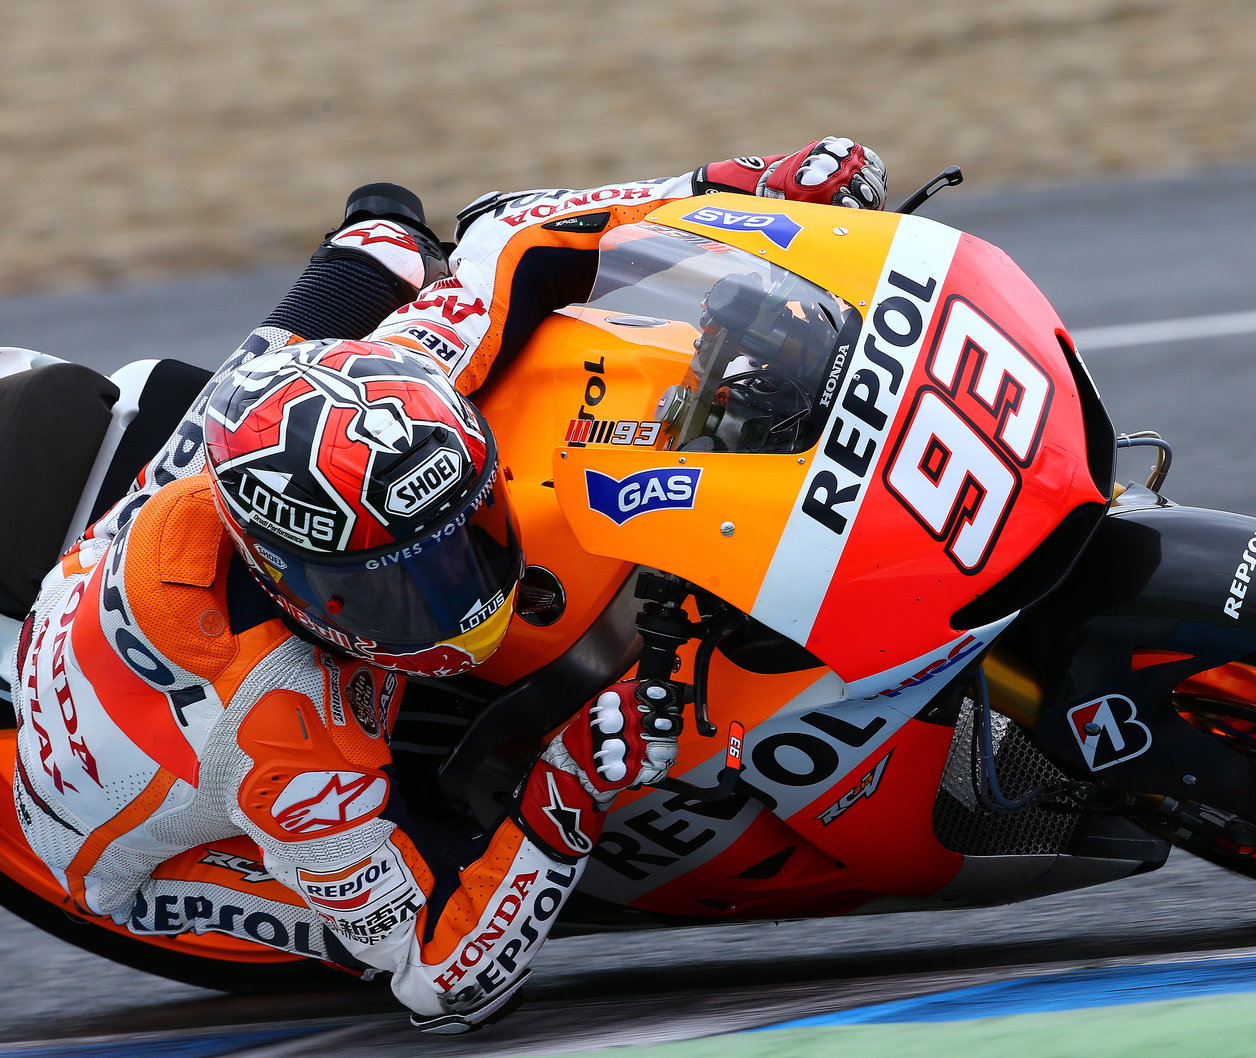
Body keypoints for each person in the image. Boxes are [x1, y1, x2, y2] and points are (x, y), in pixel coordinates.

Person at [5, 138, 888, 1033]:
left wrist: (733, 186)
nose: (461, 600)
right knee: (409, 886)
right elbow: (444, 986)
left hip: (157, 531)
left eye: (466, 537)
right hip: (132, 828)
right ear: (293, 584)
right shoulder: (282, 741)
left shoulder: (399, 383)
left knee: (384, 242)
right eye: (402, 589)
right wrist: (566, 791)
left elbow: (514, 235)